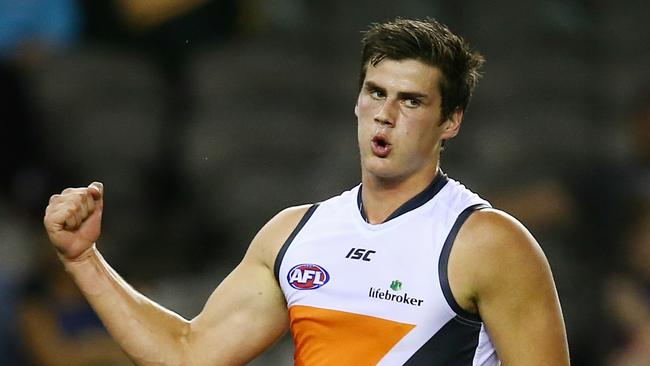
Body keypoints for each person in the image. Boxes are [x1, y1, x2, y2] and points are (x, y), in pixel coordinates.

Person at [43, 18, 569, 365]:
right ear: (358, 100)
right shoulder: (295, 234)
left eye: (411, 102)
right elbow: (187, 353)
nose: (385, 114)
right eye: (375, 92)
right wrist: (84, 259)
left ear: (450, 121)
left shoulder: (489, 243)